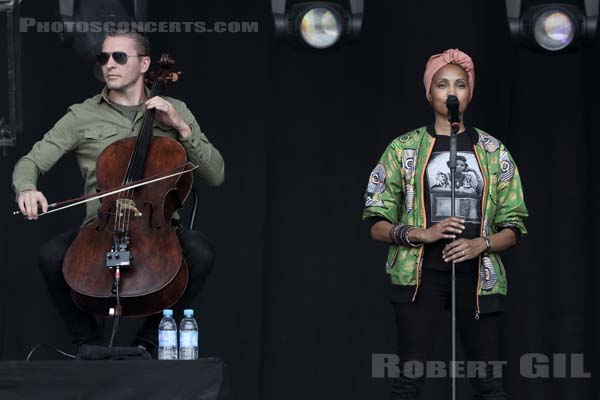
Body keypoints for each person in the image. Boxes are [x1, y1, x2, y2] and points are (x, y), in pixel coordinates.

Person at [11, 29, 224, 357]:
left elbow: (215, 174)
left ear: (144, 64)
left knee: (200, 252)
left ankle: (150, 343)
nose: (109, 64)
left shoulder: (173, 108)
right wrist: (27, 189)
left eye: (119, 57)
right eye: (104, 57)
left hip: (159, 230)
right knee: (50, 256)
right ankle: (88, 343)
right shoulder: (81, 115)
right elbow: (31, 161)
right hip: (100, 228)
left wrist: (181, 127)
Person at [363, 49, 528, 399]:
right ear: (429, 93)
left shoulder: (494, 152)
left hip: (478, 275)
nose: (452, 92)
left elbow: (514, 227)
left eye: (460, 85)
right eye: (442, 84)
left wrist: (479, 244)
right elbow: (376, 223)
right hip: (421, 274)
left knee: (488, 381)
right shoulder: (402, 149)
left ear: (469, 94)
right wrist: (420, 233)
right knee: (409, 379)